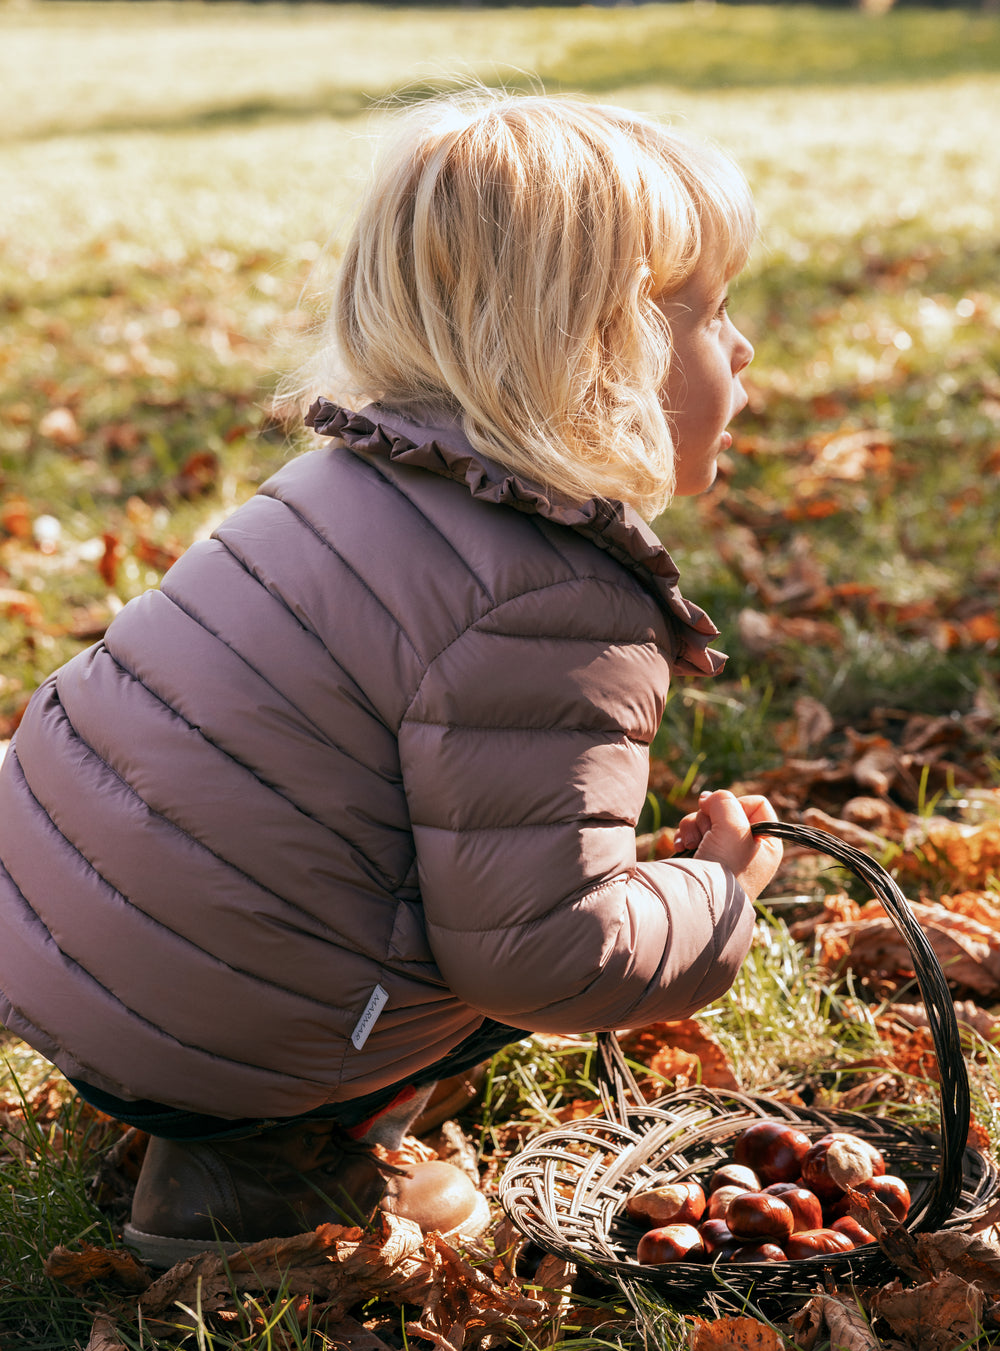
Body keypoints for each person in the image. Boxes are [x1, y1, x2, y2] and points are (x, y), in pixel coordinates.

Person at [0, 91, 782, 1268]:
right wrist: (713, 897)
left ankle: (221, 1084)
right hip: (214, 1017)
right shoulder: (553, 596)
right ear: (610, 348)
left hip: (54, 929)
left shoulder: (342, 481)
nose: (741, 347)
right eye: (712, 313)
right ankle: (259, 1178)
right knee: (500, 931)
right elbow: (538, 953)